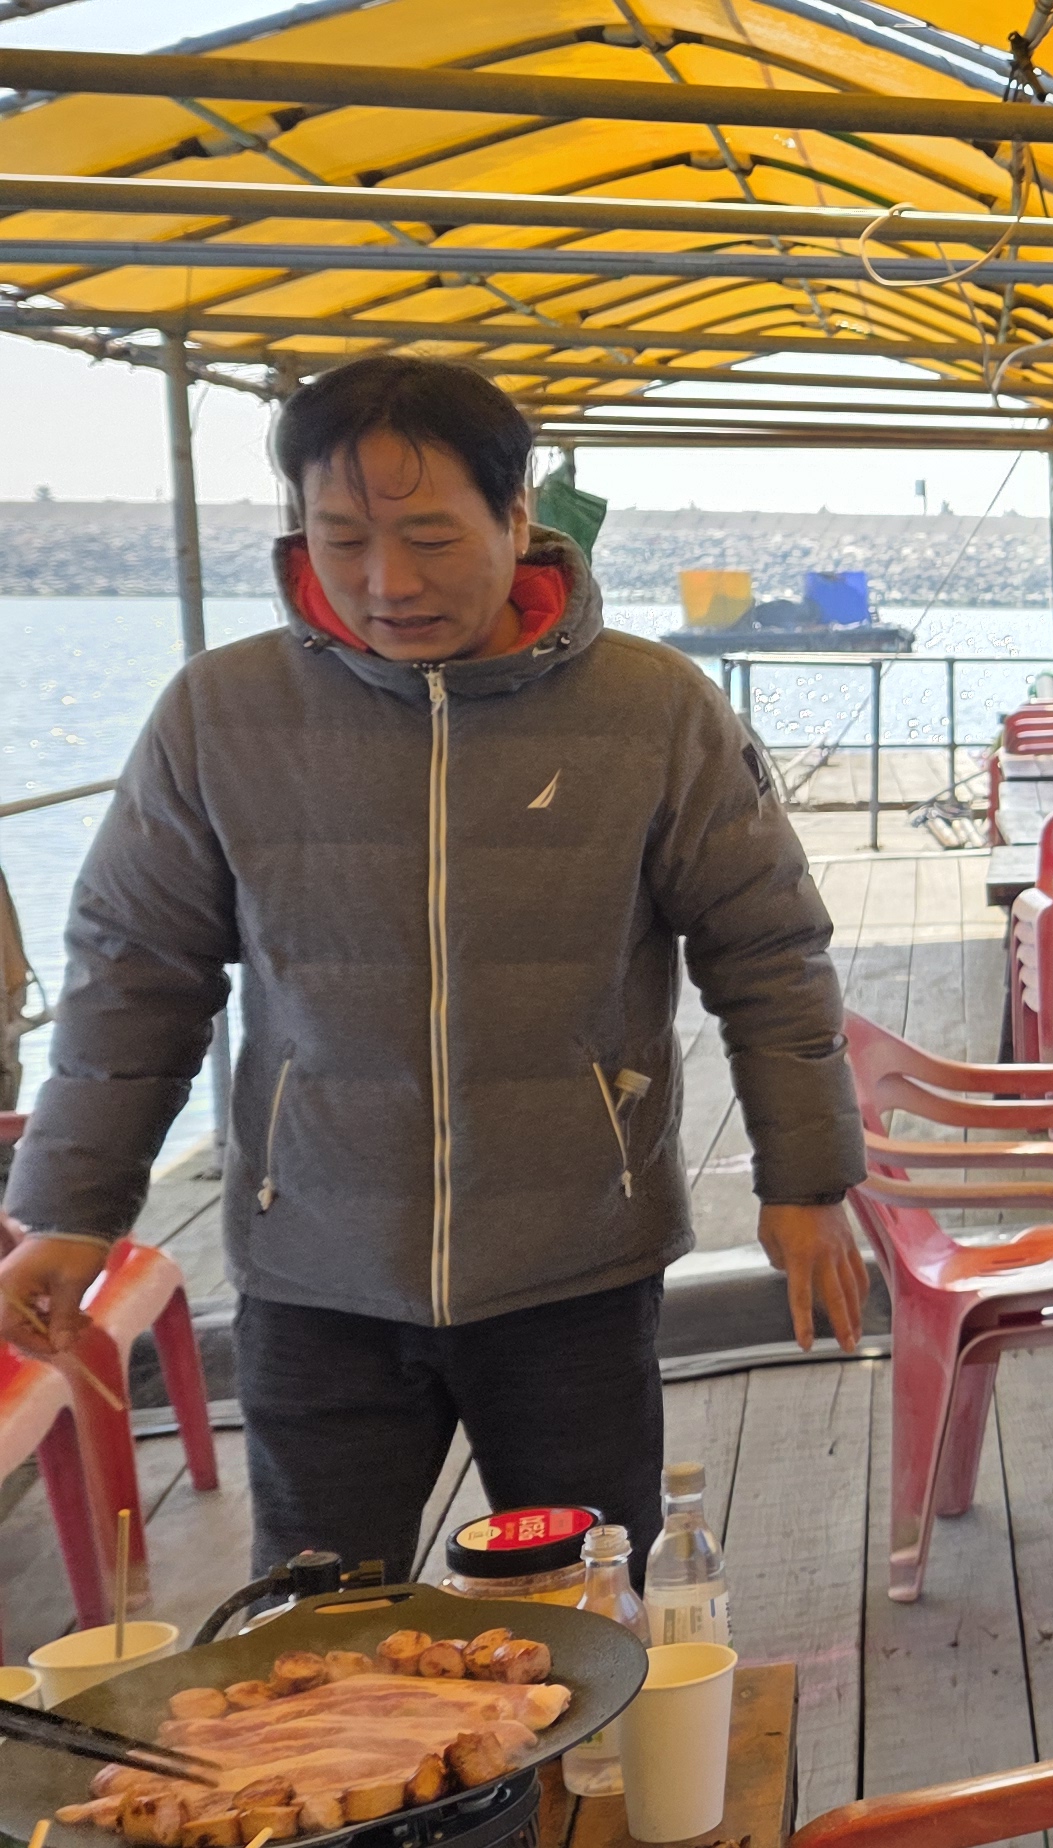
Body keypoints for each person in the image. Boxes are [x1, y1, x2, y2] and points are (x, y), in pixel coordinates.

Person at [0, 355, 867, 1576]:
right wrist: (69, 1211)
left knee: (585, 1603)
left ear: (517, 516)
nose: (387, 582)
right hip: (317, 1270)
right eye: (343, 537)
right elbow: (136, 975)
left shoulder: (652, 709)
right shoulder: (220, 714)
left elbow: (767, 951)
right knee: (315, 1620)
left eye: (428, 537)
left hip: (575, 1261)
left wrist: (807, 1182)